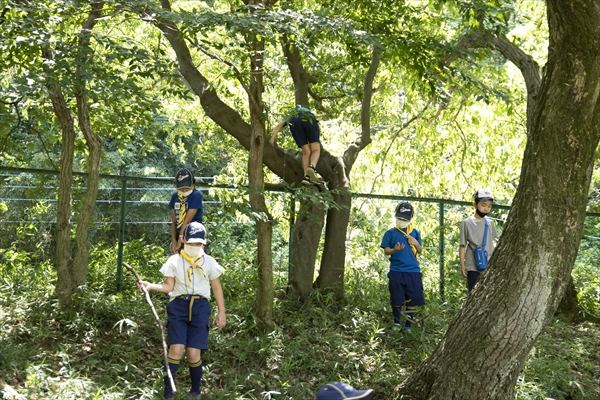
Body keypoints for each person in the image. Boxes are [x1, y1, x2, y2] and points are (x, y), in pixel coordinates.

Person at [138, 222, 226, 400]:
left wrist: (221, 312)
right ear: (184, 240)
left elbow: (216, 287)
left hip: (201, 308)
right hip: (178, 306)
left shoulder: (209, 262)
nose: (195, 247)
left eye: (198, 244)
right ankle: (168, 394)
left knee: (194, 353)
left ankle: (195, 392)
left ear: (204, 243)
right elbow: (168, 286)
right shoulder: (174, 261)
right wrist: (150, 286)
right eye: (192, 243)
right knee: (176, 349)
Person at [380, 201, 424, 331]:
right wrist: (395, 250)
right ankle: (397, 322)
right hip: (396, 270)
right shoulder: (390, 233)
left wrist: (415, 242)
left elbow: (420, 250)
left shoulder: (415, 232)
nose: (402, 221)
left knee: (413, 298)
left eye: (404, 219)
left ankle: (408, 325)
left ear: (410, 219)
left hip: (413, 271)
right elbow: (386, 251)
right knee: (396, 297)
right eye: (399, 218)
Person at [269, 105, 321, 184]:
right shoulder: (307, 112)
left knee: (306, 152)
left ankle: (306, 178)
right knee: (316, 149)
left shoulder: (291, 115)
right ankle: (311, 167)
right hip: (308, 118)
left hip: (294, 122)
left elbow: (279, 126)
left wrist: (272, 140)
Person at [459, 188, 497, 293]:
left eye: (489, 206)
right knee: (473, 293)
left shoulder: (490, 223)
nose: (486, 208)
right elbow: (462, 245)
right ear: (475, 204)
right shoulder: (466, 223)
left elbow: (493, 243)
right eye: (483, 205)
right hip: (473, 266)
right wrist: (463, 265)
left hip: (488, 265)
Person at [169, 167, 203, 254]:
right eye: (181, 188)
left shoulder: (196, 195)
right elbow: (173, 221)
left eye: (187, 188)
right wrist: (174, 240)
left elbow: (187, 221)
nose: (184, 190)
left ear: (193, 183)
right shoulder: (174, 197)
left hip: (194, 235)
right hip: (178, 233)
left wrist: (181, 238)